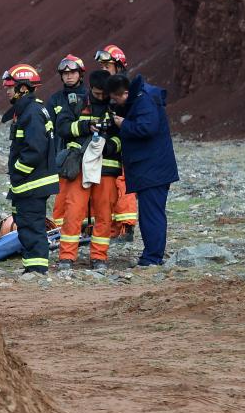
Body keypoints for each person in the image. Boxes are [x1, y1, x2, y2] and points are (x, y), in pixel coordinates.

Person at [106, 73, 179, 267]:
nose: (116, 102)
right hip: (150, 168)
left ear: (126, 93)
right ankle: (152, 255)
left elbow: (147, 128)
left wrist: (124, 124)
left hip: (153, 170)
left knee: (151, 215)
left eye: (116, 98)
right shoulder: (139, 98)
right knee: (151, 213)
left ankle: (152, 258)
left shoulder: (144, 101)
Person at [54, 70, 121, 271]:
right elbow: (63, 127)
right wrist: (86, 126)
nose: (101, 98)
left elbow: (122, 136)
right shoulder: (76, 103)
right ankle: (67, 257)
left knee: (104, 213)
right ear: (90, 88)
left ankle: (99, 257)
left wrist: (109, 146)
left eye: (104, 94)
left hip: (106, 169)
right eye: (98, 94)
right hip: (79, 167)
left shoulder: (116, 106)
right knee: (73, 212)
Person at [3, 64, 59, 275]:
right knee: (25, 222)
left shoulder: (32, 112)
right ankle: (32, 266)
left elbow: (34, 150)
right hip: (29, 182)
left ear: (23, 88)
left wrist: (17, 171)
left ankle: (37, 269)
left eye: (10, 86)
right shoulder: (29, 110)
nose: (7, 90)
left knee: (32, 224)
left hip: (32, 182)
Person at [95, 44, 137, 240]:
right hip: (107, 146)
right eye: (101, 65)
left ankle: (126, 227)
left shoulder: (126, 90)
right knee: (108, 188)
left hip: (125, 145)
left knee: (123, 185)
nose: (103, 68)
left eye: (107, 65)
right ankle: (112, 227)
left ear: (118, 66)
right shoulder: (103, 89)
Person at [47, 55, 88, 230]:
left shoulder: (90, 96)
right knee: (62, 194)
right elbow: (48, 127)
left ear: (80, 74)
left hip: (87, 153)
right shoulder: (55, 99)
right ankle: (59, 229)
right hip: (62, 155)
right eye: (65, 73)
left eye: (72, 72)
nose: (69, 76)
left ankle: (85, 227)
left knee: (86, 192)